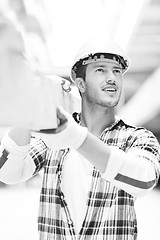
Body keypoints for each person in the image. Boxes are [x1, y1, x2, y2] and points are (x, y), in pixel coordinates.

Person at [0, 37, 160, 240]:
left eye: (117, 71)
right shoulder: (51, 141)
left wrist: (75, 138)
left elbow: (144, 180)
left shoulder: (137, 138)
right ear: (81, 84)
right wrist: (29, 108)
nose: (112, 77)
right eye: (100, 70)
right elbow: (8, 172)